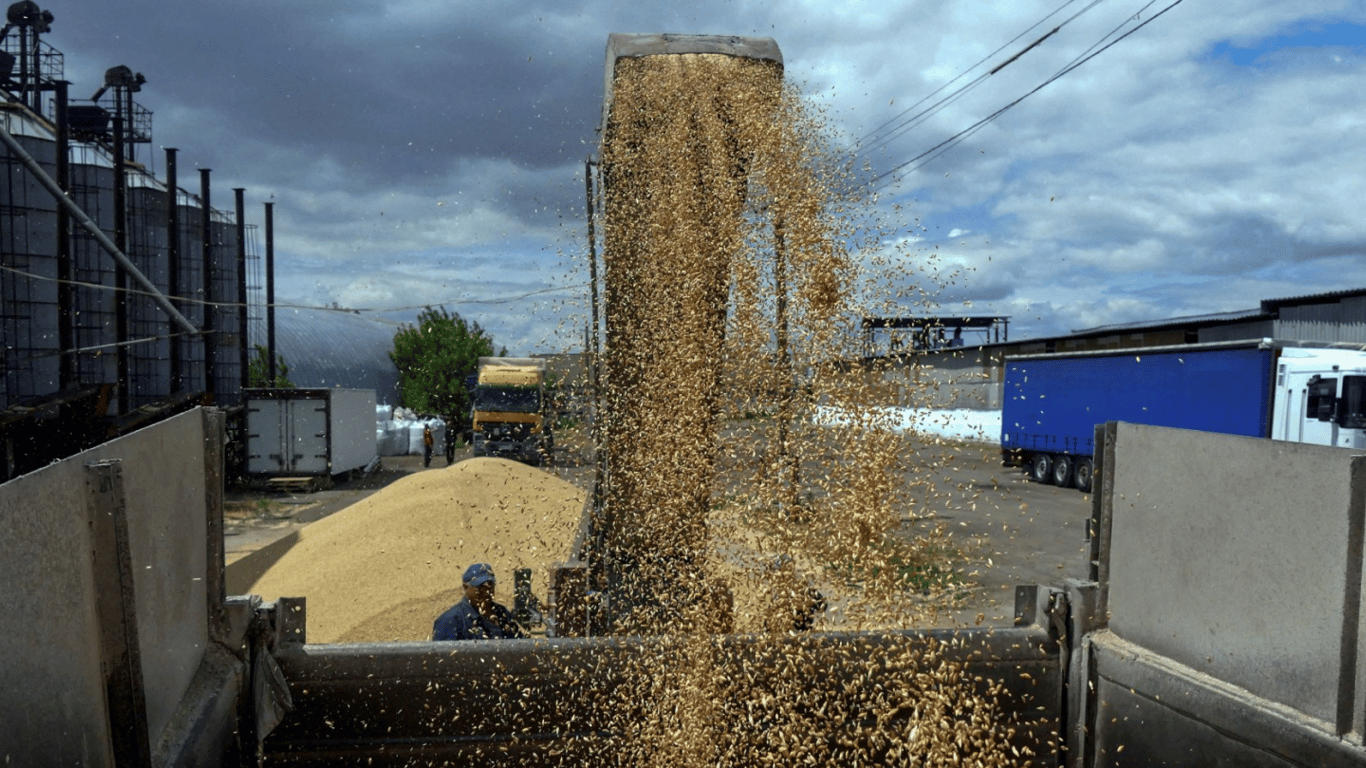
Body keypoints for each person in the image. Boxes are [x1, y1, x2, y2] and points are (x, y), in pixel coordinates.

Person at [432, 563, 527, 641]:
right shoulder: (450, 620)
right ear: (465, 587)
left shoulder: (502, 614)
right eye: (480, 587)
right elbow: (441, 659)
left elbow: (521, 647)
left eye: (490, 586)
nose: (486, 592)